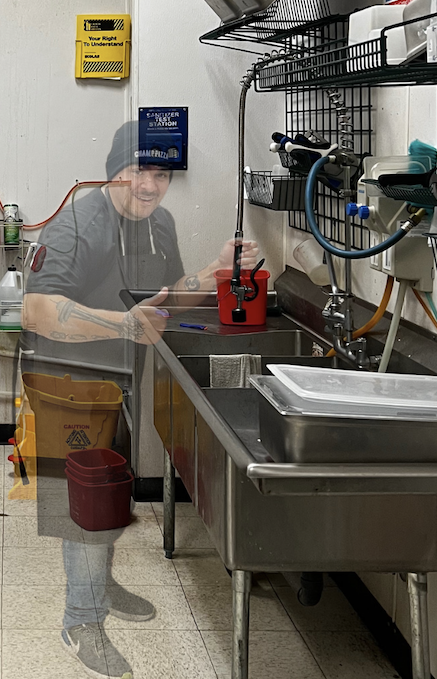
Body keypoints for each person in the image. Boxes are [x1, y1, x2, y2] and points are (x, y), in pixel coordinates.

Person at [21, 119, 259, 679]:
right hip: (66, 380)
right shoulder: (76, 224)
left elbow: (166, 297)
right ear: (113, 172)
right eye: (137, 171)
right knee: (81, 504)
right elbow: (34, 312)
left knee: (111, 489)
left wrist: (216, 271)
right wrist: (123, 327)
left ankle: (99, 585)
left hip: (119, 381)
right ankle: (81, 620)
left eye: (160, 174)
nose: (149, 185)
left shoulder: (160, 224)